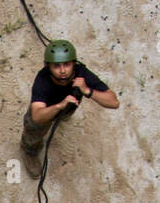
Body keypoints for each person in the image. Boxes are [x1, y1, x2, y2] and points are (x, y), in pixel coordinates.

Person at [20, 39, 119, 177]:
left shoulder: (81, 73)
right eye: (56, 66)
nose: (62, 71)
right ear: (48, 67)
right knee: (33, 131)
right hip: (47, 110)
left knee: (66, 115)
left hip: (69, 107)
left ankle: (63, 117)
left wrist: (87, 91)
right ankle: (30, 152)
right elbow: (37, 116)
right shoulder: (42, 80)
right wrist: (59, 106)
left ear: (74, 63)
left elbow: (114, 102)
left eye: (66, 64)